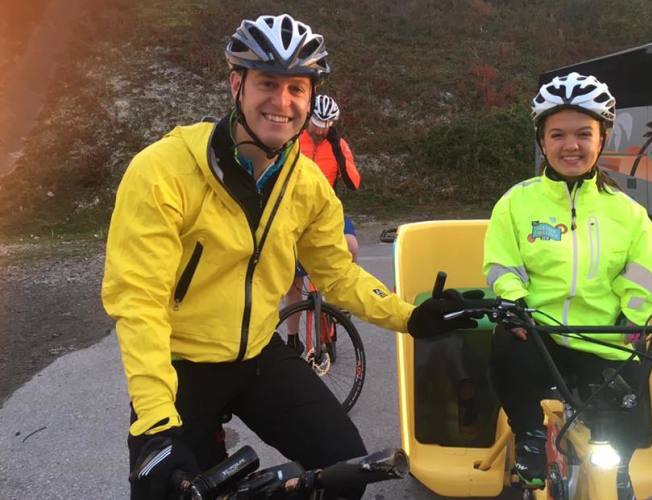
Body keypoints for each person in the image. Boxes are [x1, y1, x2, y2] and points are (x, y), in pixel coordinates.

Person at [101, 13, 475, 500]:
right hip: (180, 363)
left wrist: (411, 317)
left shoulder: (307, 184)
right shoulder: (162, 171)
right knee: (163, 490)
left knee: (346, 471)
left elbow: (337, 275)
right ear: (237, 85)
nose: (282, 102)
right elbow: (139, 300)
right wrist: (155, 422)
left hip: (257, 354)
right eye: (267, 84)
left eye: (296, 88)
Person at [483, 72, 652, 488]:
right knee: (506, 344)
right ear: (542, 141)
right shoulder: (516, 203)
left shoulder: (628, 213)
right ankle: (529, 435)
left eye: (584, 133)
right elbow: (501, 265)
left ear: (602, 139)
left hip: (602, 335)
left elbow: (643, 273)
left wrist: (631, 319)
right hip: (537, 333)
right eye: (557, 134)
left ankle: (619, 467)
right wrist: (514, 303)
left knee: (633, 387)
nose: (571, 145)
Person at [284, 94, 361, 352]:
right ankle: (293, 337)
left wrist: (339, 151)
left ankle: (341, 302)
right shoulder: (293, 139)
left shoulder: (338, 144)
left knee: (351, 246)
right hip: (294, 212)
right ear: (308, 118)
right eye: (317, 123)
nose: (321, 130)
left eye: (327, 125)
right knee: (293, 280)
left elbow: (354, 183)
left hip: (327, 211)